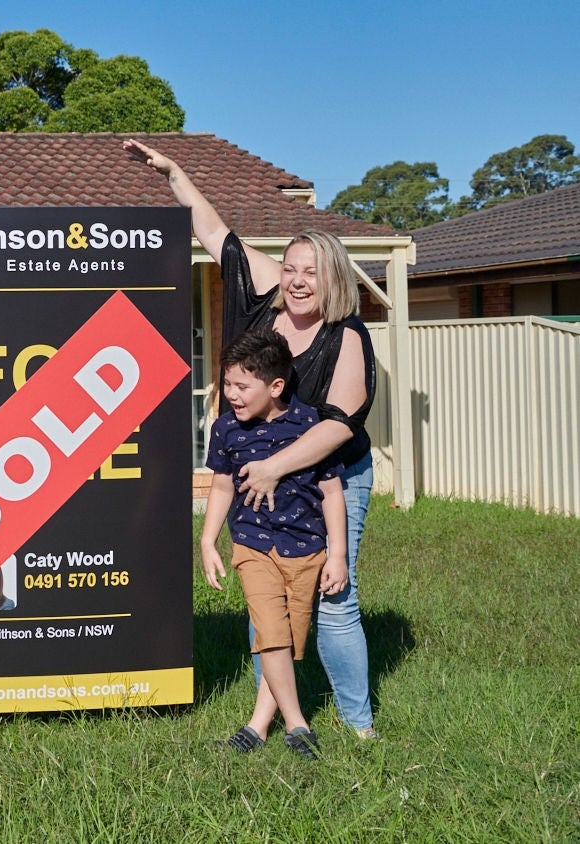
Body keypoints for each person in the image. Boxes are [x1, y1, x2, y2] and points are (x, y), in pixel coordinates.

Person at [125, 138, 381, 740]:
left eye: (309, 273)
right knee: (262, 593)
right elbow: (216, 234)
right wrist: (174, 175)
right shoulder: (268, 298)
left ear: (333, 279)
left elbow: (338, 427)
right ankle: (271, 716)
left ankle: (358, 723)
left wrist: (272, 469)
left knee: (332, 599)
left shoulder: (347, 339)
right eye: (289, 269)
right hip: (255, 472)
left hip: (329, 479)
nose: (296, 281)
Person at [201, 328, 347, 758]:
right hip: (252, 546)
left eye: (242, 386)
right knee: (271, 632)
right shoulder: (226, 429)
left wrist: (337, 555)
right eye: (227, 383)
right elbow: (223, 487)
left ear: (276, 386)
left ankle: (258, 724)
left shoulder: (311, 427)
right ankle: (298, 724)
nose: (231, 394)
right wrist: (208, 541)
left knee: (287, 641)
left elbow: (333, 492)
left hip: (306, 550)